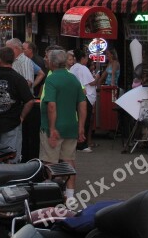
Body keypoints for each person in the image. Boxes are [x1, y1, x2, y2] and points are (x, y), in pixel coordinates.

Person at [40, 49, 86, 204]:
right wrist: (81, 127)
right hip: (70, 126)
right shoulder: (73, 79)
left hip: (54, 127)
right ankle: (71, 195)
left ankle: (52, 195)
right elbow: (82, 104)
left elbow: (51, 105)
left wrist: (52, 128)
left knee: (50, 162)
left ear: (53, 63)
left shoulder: (51, 79)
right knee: (69, 160)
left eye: (47, 59)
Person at [6, 38, 45, 161]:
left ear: (15, 49)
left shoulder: (25, 62)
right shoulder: (14, 61)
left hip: (23, 102)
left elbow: (28, 82)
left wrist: (14, 89)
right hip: (17, 101)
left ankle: (25, 159)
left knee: (25, 133)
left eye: (9, 48)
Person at [70, 49, 98, 152]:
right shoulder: (83, 68)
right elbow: (92, 82)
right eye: (86, 58)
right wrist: (98, 77)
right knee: (84, 121)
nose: (87, 60)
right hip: (85, 96)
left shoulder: (72, 68)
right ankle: (82, 144)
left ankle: (77, 143)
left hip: (76, 96)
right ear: (82, 58)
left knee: (79, 120)